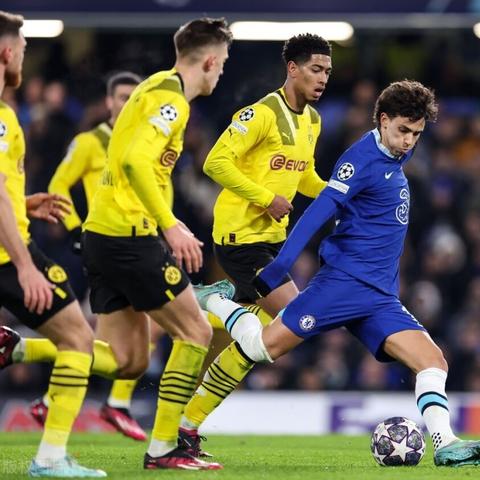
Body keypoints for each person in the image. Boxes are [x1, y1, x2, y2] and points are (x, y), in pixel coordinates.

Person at [193, 80, 480, 467]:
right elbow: (318, 211)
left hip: (379, 296)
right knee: (262, 348)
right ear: (382, 120)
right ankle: (215, 300)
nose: (409, 141)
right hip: (342, 285)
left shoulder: (398, 153)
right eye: (403, 130)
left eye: (416, 133)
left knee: (433, 361)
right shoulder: (359, 159)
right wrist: (281, 266)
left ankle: (445, 443)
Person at [84, 17, 232, 471]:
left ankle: (22, 346)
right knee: (196, 332)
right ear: (209, 61)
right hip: (130, 234)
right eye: (223, 62)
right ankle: (165, 447)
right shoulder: (172, 102)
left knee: (127, 361)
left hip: (102, 233)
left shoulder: (154, 86)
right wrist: (170, 225)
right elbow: (134, 160)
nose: (222, 71)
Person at [177, 33, 331, 451]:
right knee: (297, 317)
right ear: (293, 69)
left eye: (327, 71)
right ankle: (212, 300)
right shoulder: (260, 114)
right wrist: (265, 197)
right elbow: (214, 162)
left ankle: (187, 426)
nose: (323, 78)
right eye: (316, 69)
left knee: (257, 347)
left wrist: (342, 196)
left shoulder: (313, 121)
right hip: (240, 239)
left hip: (274, 243)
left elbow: (304, 177)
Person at [0, 10, 106, 477]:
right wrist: (25, 266)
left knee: (76, 337)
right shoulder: (2, 118)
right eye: (23, 50)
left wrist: (24, 204)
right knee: (78, 338)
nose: (25, 59)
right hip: (8, 255)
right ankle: (49, 459)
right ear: (7, 53)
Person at [27, 71, 151, 442]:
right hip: (105, 245)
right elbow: (57, 185)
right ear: (109, 102)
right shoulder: (90, 142)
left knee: (106, 343)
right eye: (122, 96)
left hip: (137, 243)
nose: (128, 103)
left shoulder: (146, 140)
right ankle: (117, 404)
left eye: (135, 97)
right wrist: (75, 230)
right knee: (147, 329)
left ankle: (46, 390)